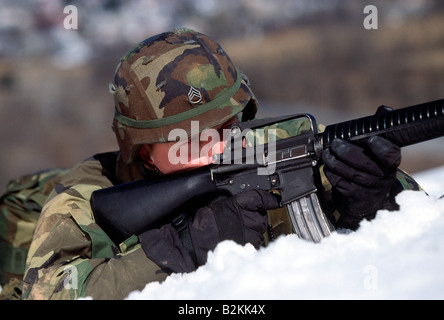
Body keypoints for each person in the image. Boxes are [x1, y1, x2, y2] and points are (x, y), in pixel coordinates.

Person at [21, 28, 421, 300]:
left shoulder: (276, 147)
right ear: (145, 153)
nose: (218, 148)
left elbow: (424, 221)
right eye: (191, 139)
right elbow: (48, 291)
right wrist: (175, 252)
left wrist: (377, 197)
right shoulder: (87, 198)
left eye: (228, 126)